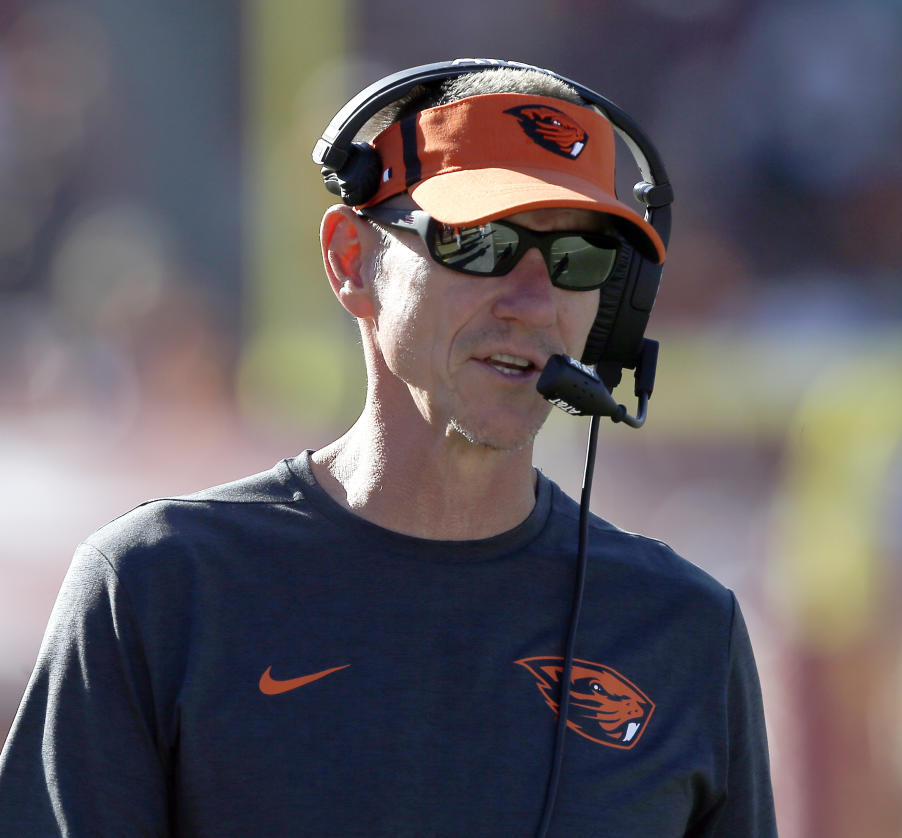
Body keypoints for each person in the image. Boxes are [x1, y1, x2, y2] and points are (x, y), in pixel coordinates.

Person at [0, 60, 778, 837]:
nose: (534, 301)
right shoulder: (157, 588)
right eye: (481, 243)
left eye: (581, 259)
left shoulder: (685, 633)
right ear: (350, 260)